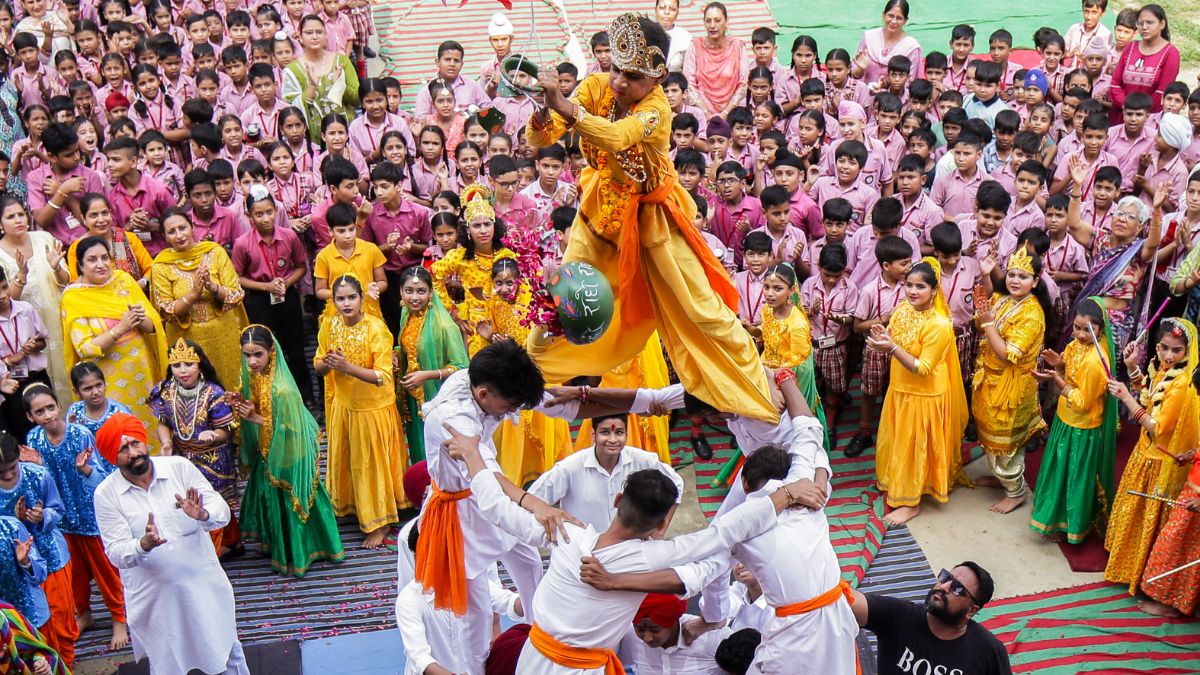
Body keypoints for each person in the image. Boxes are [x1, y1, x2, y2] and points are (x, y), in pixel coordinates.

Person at [528, 13, 775, 422]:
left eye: (633, 76)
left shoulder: (657, 109)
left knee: (701, 310)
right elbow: (539, 138)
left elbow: (617, 136)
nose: (621, 83)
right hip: (596, 218)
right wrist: (543, 108)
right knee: (563, 302)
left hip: (653, 224)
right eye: (618, 72)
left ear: (657, 78)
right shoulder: (595, 87)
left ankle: (756, 392)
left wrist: (564, 107)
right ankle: (526, 374)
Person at [441, 417, 822, 674]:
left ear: (618, 500)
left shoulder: (567, 535)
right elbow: (719, 539)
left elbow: (497, 506)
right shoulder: (653, 556)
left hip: (534, 660)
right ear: (664, 522)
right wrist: (783, 495)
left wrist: (476, 458)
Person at [92, 412, 250, 675]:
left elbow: (219, 509)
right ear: (112, 457)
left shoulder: (178, 467)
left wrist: (203, 515)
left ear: (145, 442)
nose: (133, 453)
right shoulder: (106, 495)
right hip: (156, 601)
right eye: (123, 449)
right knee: (168, 663)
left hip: (203, 587)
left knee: (224, 649)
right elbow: (116, 553)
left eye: (135, 443)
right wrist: (143, 544)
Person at [230, 325, 344, 577]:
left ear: (271, 351)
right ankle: (277, 544)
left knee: (292, 500)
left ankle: (299, 552)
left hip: (290, 454)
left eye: (257, 354)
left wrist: (255, 418)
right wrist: (243, 404)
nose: (252, 361)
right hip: (268, 448)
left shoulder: (283, 388)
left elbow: (291, 428)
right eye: (247, 355)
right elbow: (258, 404)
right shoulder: (256, 376)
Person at [21, 384, 127, 651]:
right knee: (75, 575)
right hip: (60, 519)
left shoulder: (80, 434)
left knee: (106, 571)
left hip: (90, 514)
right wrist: (36, 469)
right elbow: (36, 483)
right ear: (30, 417)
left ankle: (119, 618)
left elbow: (102, 475)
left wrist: (85, 468)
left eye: (50, 408)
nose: (47, 415)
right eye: (39, 412)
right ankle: (85, 613)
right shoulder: (33, 440)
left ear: (59, 406)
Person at [868, 258, 969, 526]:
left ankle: (910, 503)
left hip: (924, 394)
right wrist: (884, 337)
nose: (913, 291)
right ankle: (900, 483)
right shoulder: (903, 308)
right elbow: (895, 338)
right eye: (909, 285)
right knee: (900, 441)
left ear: (934, 291)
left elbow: (923, 367)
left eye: (920, 286)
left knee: (916, 447)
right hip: (901, 388)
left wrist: (889, 348)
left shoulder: (939, 324)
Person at [1104, 318, 1200, 595]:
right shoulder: (1166, 370)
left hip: (1158, 461)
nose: (1168, 356)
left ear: (1188, 351)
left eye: (1176, 350)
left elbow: (1156, 427)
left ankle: (1141, 573)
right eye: (1164, 348)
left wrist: (1125, 397)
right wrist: (1133, 366)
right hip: (1145, 454)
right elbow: (1149, 396)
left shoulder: (1182, 383)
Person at [315, 274, 408, 549]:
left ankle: (381, 521)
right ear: (333, 301)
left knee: (369, 463)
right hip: (343, 406)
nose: (346, 303)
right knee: (351, 459)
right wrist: (329, 364)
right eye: (340, 298)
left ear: (362, 299)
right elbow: (319, 365)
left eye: (351, 297)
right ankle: (356, 506)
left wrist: (348, 368)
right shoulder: (329, 325)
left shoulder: (376, 329)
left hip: (371, 409)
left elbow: (383, 377)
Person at [1030, 298, 1119, 544]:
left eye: (1087, 329)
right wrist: (1057, 367)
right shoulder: (1074, 347)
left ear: (1101, 329)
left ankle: (1071, 526)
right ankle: (1053, 517)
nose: (1080, 334)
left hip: (1082, 429)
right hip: (1065, 420)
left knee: (1073, 477)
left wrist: (1059, 382)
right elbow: (1067, 368)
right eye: (1077, 327)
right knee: (1059, 472)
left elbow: (1082, 401)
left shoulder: (1096, 362)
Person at [60, 237, 167, 433]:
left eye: (104, 258)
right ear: (80, 266)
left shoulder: (123, 280)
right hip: (107, 380)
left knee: (151, 425)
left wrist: (141, 318)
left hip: (142, 372)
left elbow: (153, 327)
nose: (101, 264)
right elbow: (85, 348)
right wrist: (121, 328)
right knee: (121, 432)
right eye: (92, 260)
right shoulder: (73, 298)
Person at [147, 339, 242, 558]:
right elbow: (163, 422)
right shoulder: (165, 390)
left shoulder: (213, 393)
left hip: (213, 456)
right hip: (182, 456)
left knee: (216, 499)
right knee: (188, 498)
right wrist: (166, 443)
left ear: (199, 365)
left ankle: (225, 542)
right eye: (176, 365)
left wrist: (213, 435)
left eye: (188, 364)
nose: (182, 371)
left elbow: (224, 431)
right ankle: (204, 542)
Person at [971, 248, 1049, 514]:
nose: (1015, 280)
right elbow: (986, 309)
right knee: (991, 437)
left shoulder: (1032, 314)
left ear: (1035, 282)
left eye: (1023, 276)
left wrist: (989, 324)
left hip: (1010, 387)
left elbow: (1006, 355)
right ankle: (1001, 478)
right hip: (989, 381)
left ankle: (1015, 492)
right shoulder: (1007, 300)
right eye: (1012, 275)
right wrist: (985, 275)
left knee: (1006, 441)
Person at [149, 208, 249, 392]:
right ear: (164, 236)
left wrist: (212, 287)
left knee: (231, 387)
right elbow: (165, 309)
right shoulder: (161, 265)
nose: (179, 235)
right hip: (187, 343)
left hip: (224, 337)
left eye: (182, 228)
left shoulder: (215, 252)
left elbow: (236, 294)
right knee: (196, 391)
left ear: (192, 226)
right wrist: (192, 295)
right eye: (172, 231)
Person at [528, 413, 684, 530]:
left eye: (619, 433)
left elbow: (676, 483)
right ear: (593, 435)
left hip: (630, 549)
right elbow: (533, 500)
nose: (613, 440)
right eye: (605, 432)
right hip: (584, 553)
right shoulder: (569, 468)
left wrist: (660, 530)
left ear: (626, 435)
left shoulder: (642, 460)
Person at [851, 562, 1013, 675]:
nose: (943, 587)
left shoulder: (988, 650)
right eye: (946, 577)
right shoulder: (898, 616)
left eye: (957, 588)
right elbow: (846, 600)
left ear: (971, 610)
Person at [0, 431, 76, 668]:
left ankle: (66, 665)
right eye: (1, 473)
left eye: (12, 467)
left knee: (61, 621)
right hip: (12, 573)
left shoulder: (38, 475)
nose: (10, 475)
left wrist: (42, 516)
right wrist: (17, 523)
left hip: (49, 557)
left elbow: (58, 510)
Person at [394, 265, 469, 463]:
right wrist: (396, 354)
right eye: (409, 291)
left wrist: (427, 375)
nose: (414, 297)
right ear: (401, 292)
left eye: (421, 291)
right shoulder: (406, 315)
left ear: (431, 293)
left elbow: (461, 367)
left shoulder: (444, 326)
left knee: (437, 453)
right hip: (412, 396)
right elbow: (407, 345)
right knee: (418, 448)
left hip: (436, 397)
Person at [430, 186, 516, 356]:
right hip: (475, 325)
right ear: (468, 230)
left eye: (487, 224)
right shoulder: (459, 256)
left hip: (505, 322)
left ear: (495, 226)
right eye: (477, 225)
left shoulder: (507, 256)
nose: (483, 230)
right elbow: (433, 276)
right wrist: (454, 313)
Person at [0, 196, 70, 401]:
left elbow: (65, 281)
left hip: (58, 319)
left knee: (66, 371)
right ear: (0, 224)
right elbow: (4, 300)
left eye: (21, 214)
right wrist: (21, 275)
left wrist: (57, 266)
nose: (18, 220)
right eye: (10, 217)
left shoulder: (44, 238)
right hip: (23, 332)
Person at [759, 263, 830, 448]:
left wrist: (771, 375)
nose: (770, 294)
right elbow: (769, 337)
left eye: (777, 288)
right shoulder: (767, 310)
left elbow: (798, 359)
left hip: (790, 377)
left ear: (791, 291)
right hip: (767, 368)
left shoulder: (797, 322)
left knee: (791, 426)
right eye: (766, 287)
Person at [281, 14, 359, 141]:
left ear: (326, 35)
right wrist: (311, 87)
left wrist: (338, 84)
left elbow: (357, 98)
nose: (315, 36)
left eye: (319, 32)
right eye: (309, 32)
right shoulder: (292, 70)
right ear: (300, 37)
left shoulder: (341, 61)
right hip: (314, 140)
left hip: (346, 134)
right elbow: (290, 109)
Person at [1108, 4, 1180, 123]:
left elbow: (1162, 92)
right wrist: (1127, 107)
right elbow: (1115, 84)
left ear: (1162, 24)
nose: (1144, 27)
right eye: (1140, 23)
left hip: (1149, 119)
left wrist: (1138, 112)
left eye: (1149, 23)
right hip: (1121, 116)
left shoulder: (1170, 53)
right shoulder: (1130, 47)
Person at [65, 193, 153, 284]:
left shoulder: (127, 238)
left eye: (105, 213)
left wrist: (141, 284)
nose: (101, 220)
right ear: (84, 219)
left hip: (132, 294)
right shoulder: (77, 248)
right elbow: (76, 283)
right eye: (93, 215)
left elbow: (151, 268)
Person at [682, 3, 748, 119]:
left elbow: (743, 84)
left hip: (732, 116)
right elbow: (689, 84)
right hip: (701, 115)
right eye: (708, 21)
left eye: (717, 20)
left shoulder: (738, 47)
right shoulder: (695, 46)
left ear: (726, 21)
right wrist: (706, 113)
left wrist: (726, 113)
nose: (712, 25)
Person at [853, 0, 922, 84]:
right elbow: (855, 76)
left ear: (905, 21)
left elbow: (910, 82)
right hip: (865, 94)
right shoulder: (869, 38)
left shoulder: (911, 47)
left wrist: (884, 86)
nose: (893, 21)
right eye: (890, 16)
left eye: (899, 18)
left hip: (894, 96)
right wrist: (860, 69)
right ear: (883, 15)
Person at [65, 362, 133, 437]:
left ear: (104, 384)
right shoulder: (75, 411)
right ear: (76, 392)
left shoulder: (119, 412)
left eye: (98, 385)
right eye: (88, 388)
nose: (96, 392)